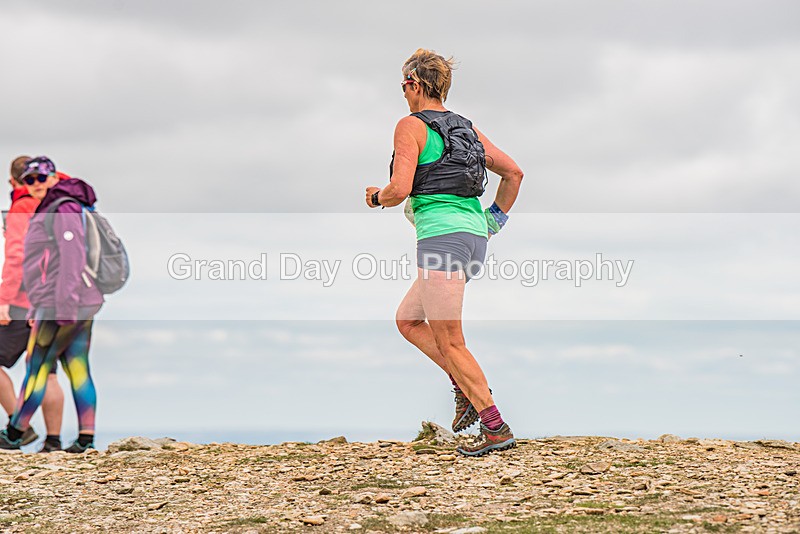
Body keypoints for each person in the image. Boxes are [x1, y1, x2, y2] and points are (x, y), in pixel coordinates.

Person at [365, 49, 524, 457]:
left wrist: (375, 198)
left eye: (403, 85)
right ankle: (465, 386)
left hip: (441, 241)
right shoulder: (466, 129)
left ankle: (494, 426)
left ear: (414, 84)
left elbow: (399, 189)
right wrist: (493, 222)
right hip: (474, 239)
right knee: (408, 320)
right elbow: (513, 173)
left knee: (451, 340)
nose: (402, 92)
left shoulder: (410, 126)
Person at [0, 157, 102, 453]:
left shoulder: (63, 207)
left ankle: (15, 434)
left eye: (41, 178)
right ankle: (85, 439)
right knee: (76, 367)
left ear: (54, 177)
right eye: (29, 180)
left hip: (61, 302)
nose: (35, 185)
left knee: (37, 367)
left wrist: (63, 305)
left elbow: (71, 259)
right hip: (70, 299)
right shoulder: (59, 205)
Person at [0, 156, 65, 451]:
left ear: (14, 182)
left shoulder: (22, 206)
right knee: (47, 370)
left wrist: (4, 301)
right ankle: (54, 440)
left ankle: (17, 426)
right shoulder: (63, 201)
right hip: (59, 299)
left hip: (23, 302)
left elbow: (16, 258)